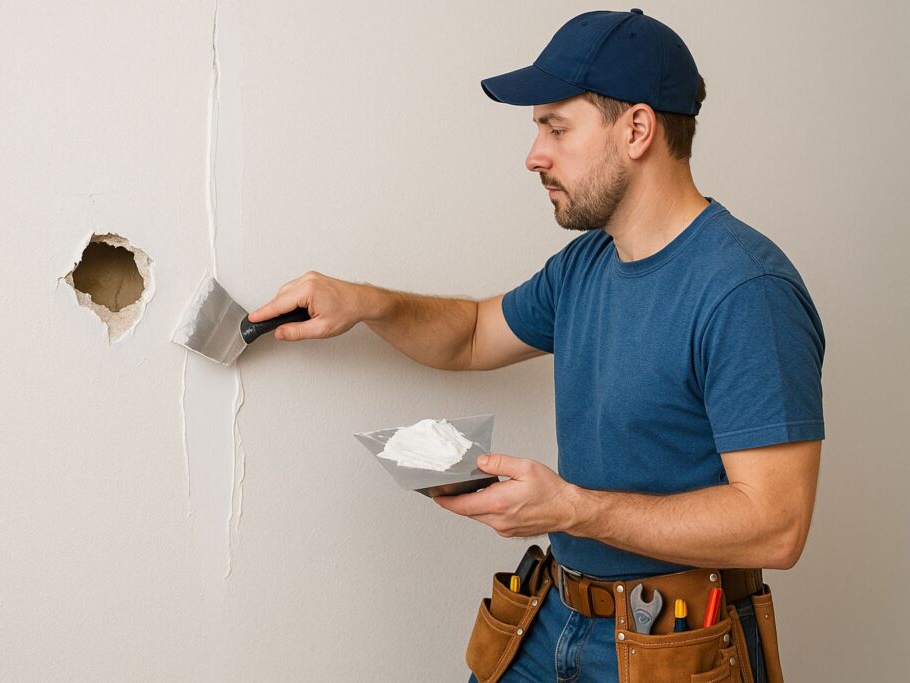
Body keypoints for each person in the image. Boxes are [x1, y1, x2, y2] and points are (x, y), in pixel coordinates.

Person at [248, 8, 824, 682]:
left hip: (674, 644)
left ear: (636, 129)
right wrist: (364, 303)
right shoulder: (584, 266)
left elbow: (775, 525)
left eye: (555, 127)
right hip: (552, 614)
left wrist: (570, 506)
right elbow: (469, 332)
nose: (533, 155)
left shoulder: (745, 290)